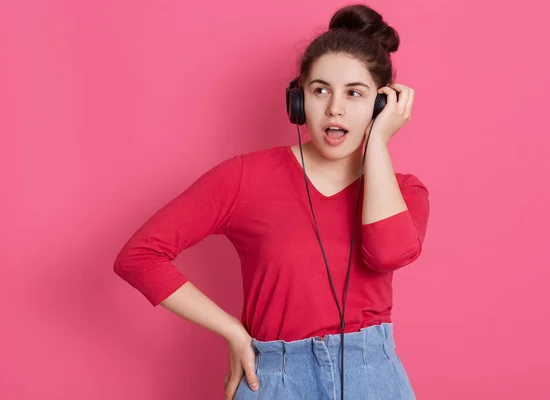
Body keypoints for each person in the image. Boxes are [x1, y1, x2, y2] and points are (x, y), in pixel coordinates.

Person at [114, 4, 429, 399]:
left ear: (381, 105)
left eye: (355, 93)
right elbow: (139, 256)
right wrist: (232, 330)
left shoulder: (406, 193)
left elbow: (386, 253)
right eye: (320, 91)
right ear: (298, 101)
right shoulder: (244, 178)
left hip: (374, 378)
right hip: (276, 380)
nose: (335, 108)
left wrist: (379, 143)